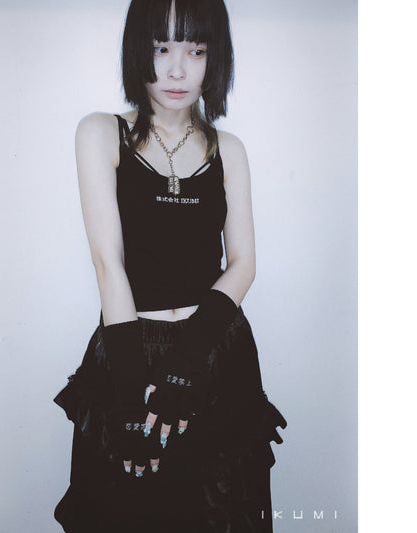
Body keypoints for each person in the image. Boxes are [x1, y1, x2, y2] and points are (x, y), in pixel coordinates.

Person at [53, 1, 287, 531]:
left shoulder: (229, 149)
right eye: (162, 48)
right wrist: (130, 392)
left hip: (216, 353)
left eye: (196, 50)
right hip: (130, 348)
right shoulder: (101, 132)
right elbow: (108, 264)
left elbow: (243, 263)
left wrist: (189, 361)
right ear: (138, 49)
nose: (178, 70)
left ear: (214, 57)